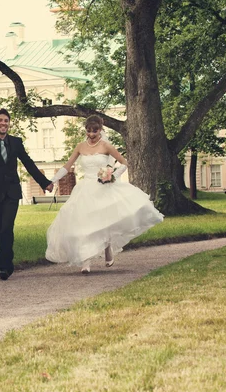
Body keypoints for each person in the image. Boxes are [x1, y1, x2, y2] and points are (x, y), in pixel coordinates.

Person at [45, 115, 163, 273]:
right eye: (88, 131)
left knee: (103, 220)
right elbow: (67, 166)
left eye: (95, 131)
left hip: (103, 186)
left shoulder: (106, 146)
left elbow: (124, 163)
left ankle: (107, 246)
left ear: (101, 130)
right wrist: (53, 180)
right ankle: (85, 262)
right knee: (84, 224)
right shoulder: (80, 146)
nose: (91, 134)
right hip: (85, 188)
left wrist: (112, 176)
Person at [0, 108, 54, 280]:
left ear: (9, 123)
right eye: (0, 120)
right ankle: (7, 265)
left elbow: (28, 163)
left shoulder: (16, 143)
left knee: (7, 226)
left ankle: (2, 265)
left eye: (6, 120)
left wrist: (44, 182)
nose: (3, 123)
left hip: (12, 192)